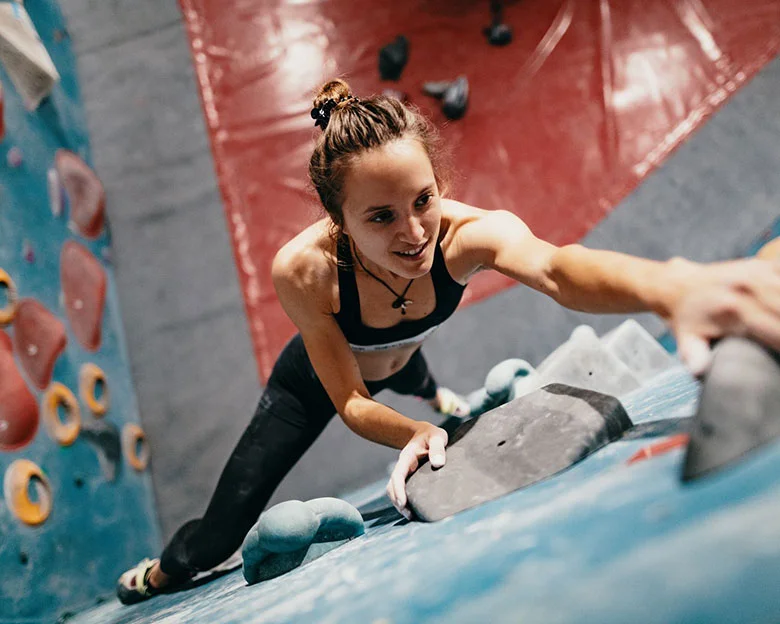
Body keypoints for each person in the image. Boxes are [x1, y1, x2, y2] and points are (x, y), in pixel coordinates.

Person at [117, 78, 780, 603]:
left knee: (418, 375)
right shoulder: (305, 271)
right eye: (380, 216)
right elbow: (347, 400)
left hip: (409, 355)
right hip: (321, 382)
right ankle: (169, 570)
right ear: (338, 221)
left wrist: (671, 287)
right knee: (220, 534)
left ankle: (445, 400)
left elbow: (558, 268)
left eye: (422, 199)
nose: (413, 233)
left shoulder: (467, 236)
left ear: (439, 184)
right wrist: (408, 434)